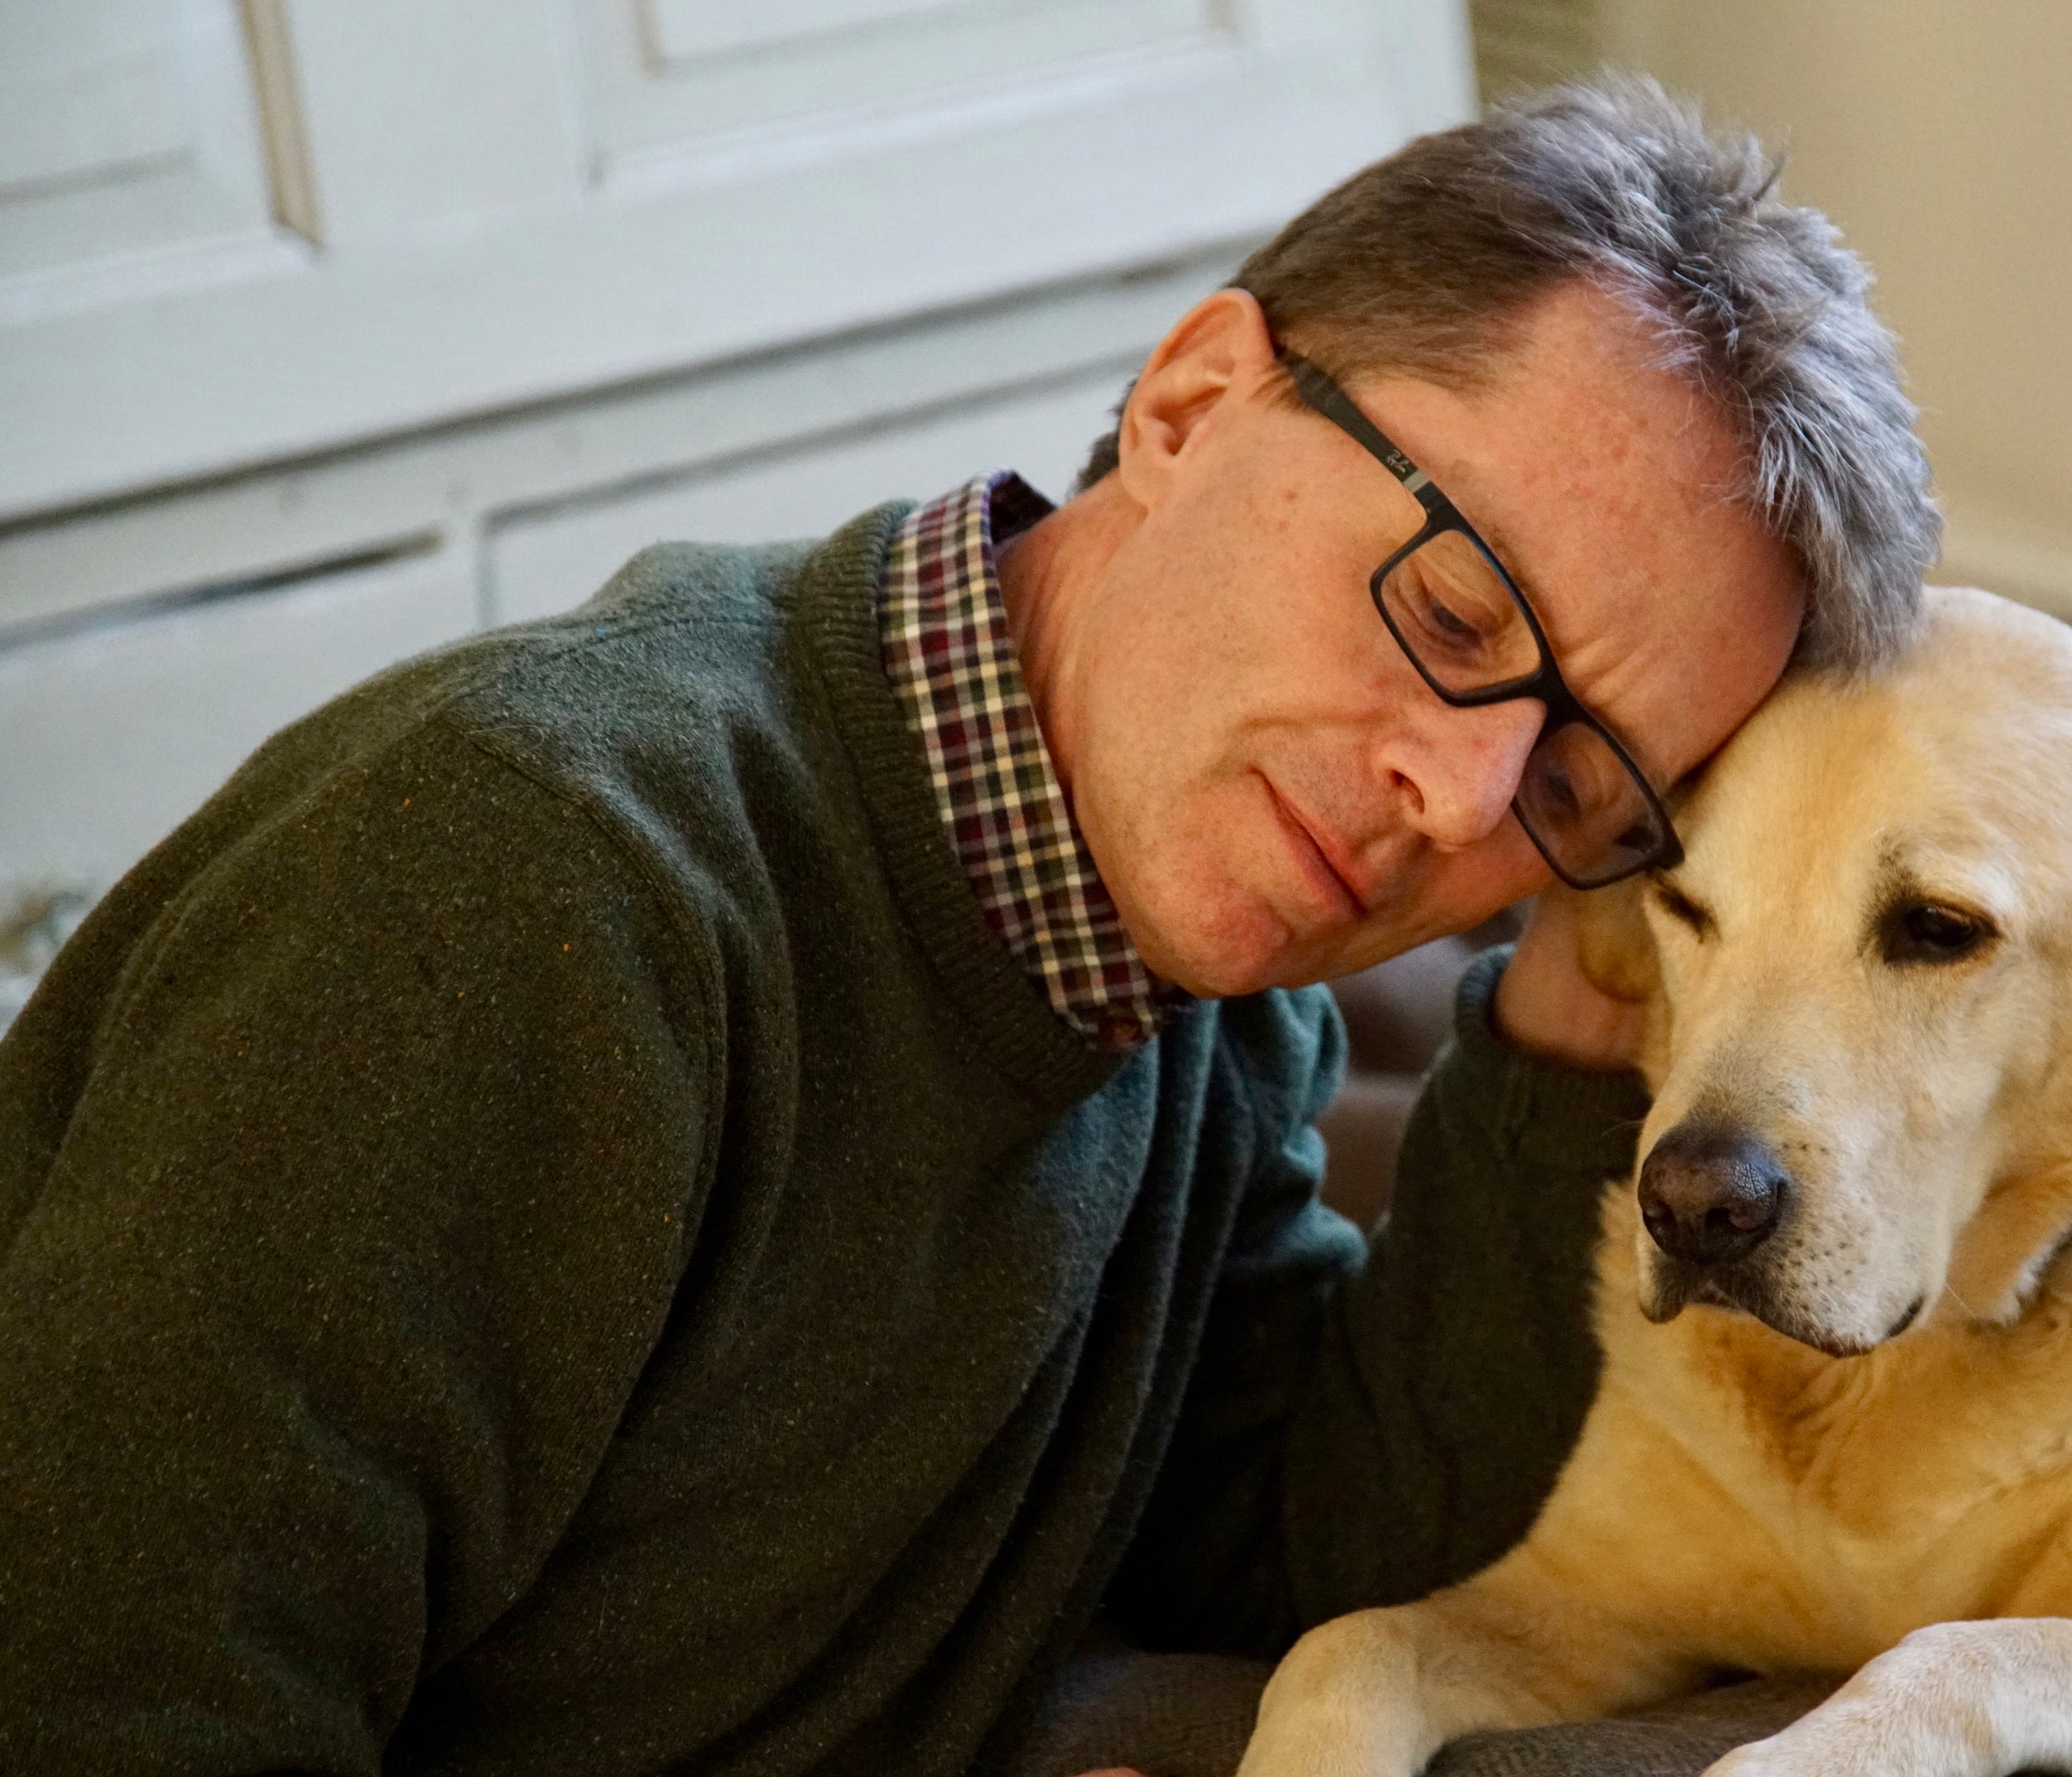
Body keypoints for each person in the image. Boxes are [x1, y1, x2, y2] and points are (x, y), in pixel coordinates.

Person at [0, 79, 1939, 1776]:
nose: (1456, 795)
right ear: (1192, 403)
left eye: (1579, 781)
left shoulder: (1214, 997)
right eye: (1444, 614)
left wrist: (1585, 1010)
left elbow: (1292, 1546)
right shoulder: (526, 890)